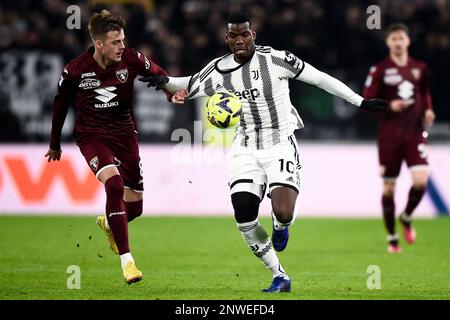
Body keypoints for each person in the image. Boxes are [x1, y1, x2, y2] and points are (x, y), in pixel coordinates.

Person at [140, 12, 387, 292]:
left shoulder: (276, 59)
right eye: (233, 35)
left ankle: (282, 226)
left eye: (245, 34)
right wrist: (163, 80)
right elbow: (187, 84)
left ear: (253, 35)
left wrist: (361, 102)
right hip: (245, 146)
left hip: (280, 142)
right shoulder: (218, 70)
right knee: (244, 214)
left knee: (282, 212)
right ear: (227, 39)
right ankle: (279, 275)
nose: (239, 40)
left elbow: (319, 78)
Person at [45, 10, 174, 284]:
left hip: (125, 135)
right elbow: (60, 105)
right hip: (92, 136)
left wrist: (170, 91)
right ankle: (128, 262)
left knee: (135, 209)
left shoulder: (130, 58)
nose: (122, 47)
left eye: (123, 40)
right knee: (113, 185)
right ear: (99, 44)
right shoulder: (75, 70)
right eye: (116, 42)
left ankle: (108, 222)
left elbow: (157, 73)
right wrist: (55, 144)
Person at [363, 23, 435, 254]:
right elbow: (367, 99)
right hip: (389, 136)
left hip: (415, 132)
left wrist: (429, 110)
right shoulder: (380, 69)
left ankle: (406, 216)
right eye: (393, 38)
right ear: (388, 43)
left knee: (421, 182)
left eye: (401, 38)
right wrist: (390, 105)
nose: (397, 42)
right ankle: (392, 237)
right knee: (389, 188)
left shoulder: (419, 68)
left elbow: (424, 93)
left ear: (408, 41)